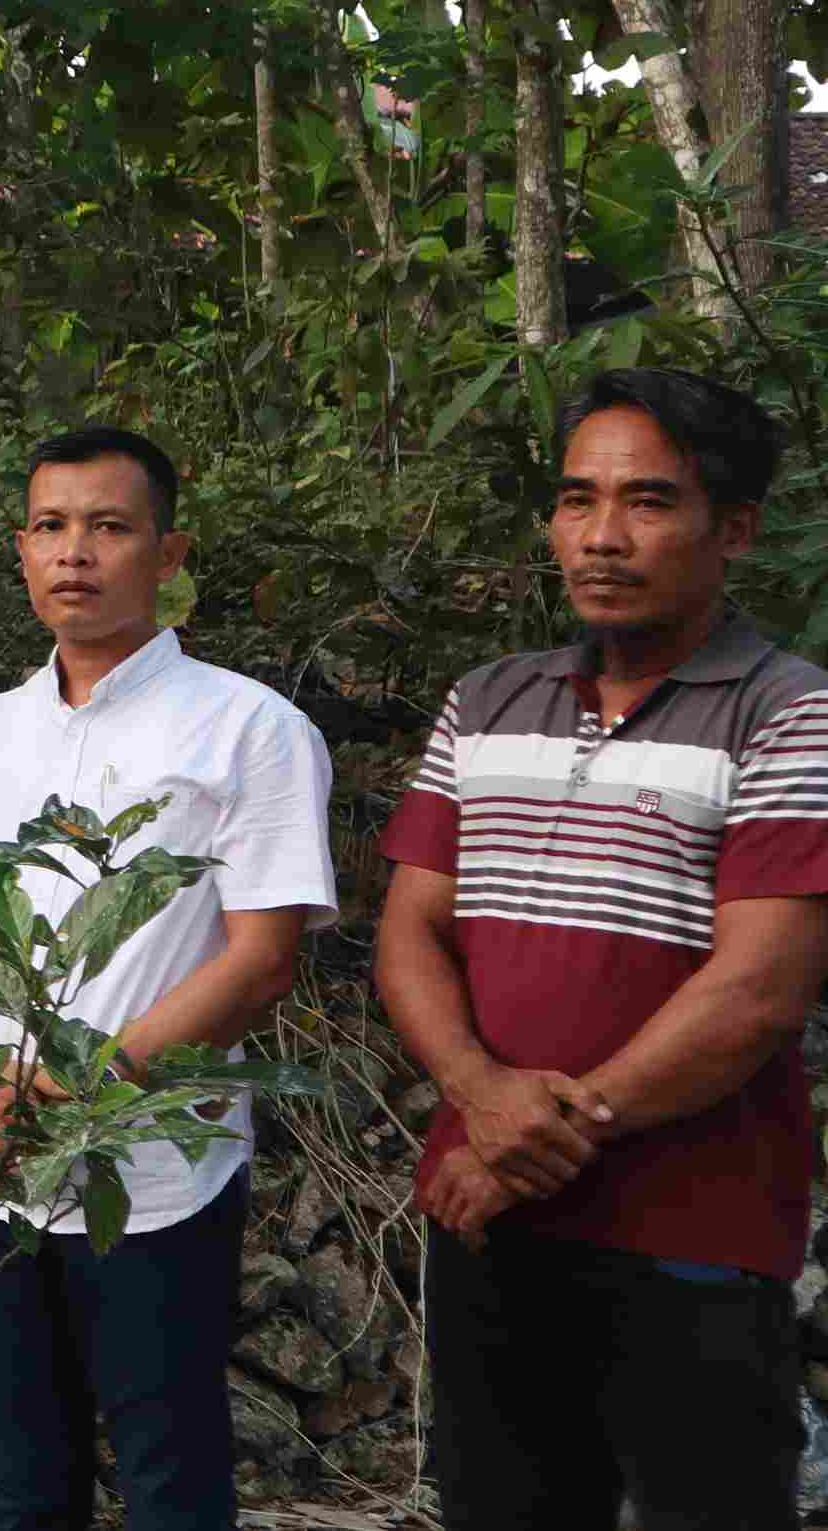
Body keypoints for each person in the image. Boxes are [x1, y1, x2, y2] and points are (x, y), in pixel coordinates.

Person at [378, 368, 828, 1531]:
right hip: (487, 1221)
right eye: (578, 499)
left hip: (692, 1236)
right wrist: (481, 1096)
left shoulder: (791, 712)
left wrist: (538, 1135)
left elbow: (759, 988)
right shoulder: (485, 700)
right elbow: (411, 929)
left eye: (648, 501)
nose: (602, 535)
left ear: (734, 527)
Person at [0, 425, 332, 1531]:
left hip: (152, 1172)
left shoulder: (251, 727)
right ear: (20, 548)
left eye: (109, 525)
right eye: (51, 526)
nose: (75, 552)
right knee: (10, 1478)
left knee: (169, 1475)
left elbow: (261, 955)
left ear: (169, 547)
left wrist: (85, 1082)